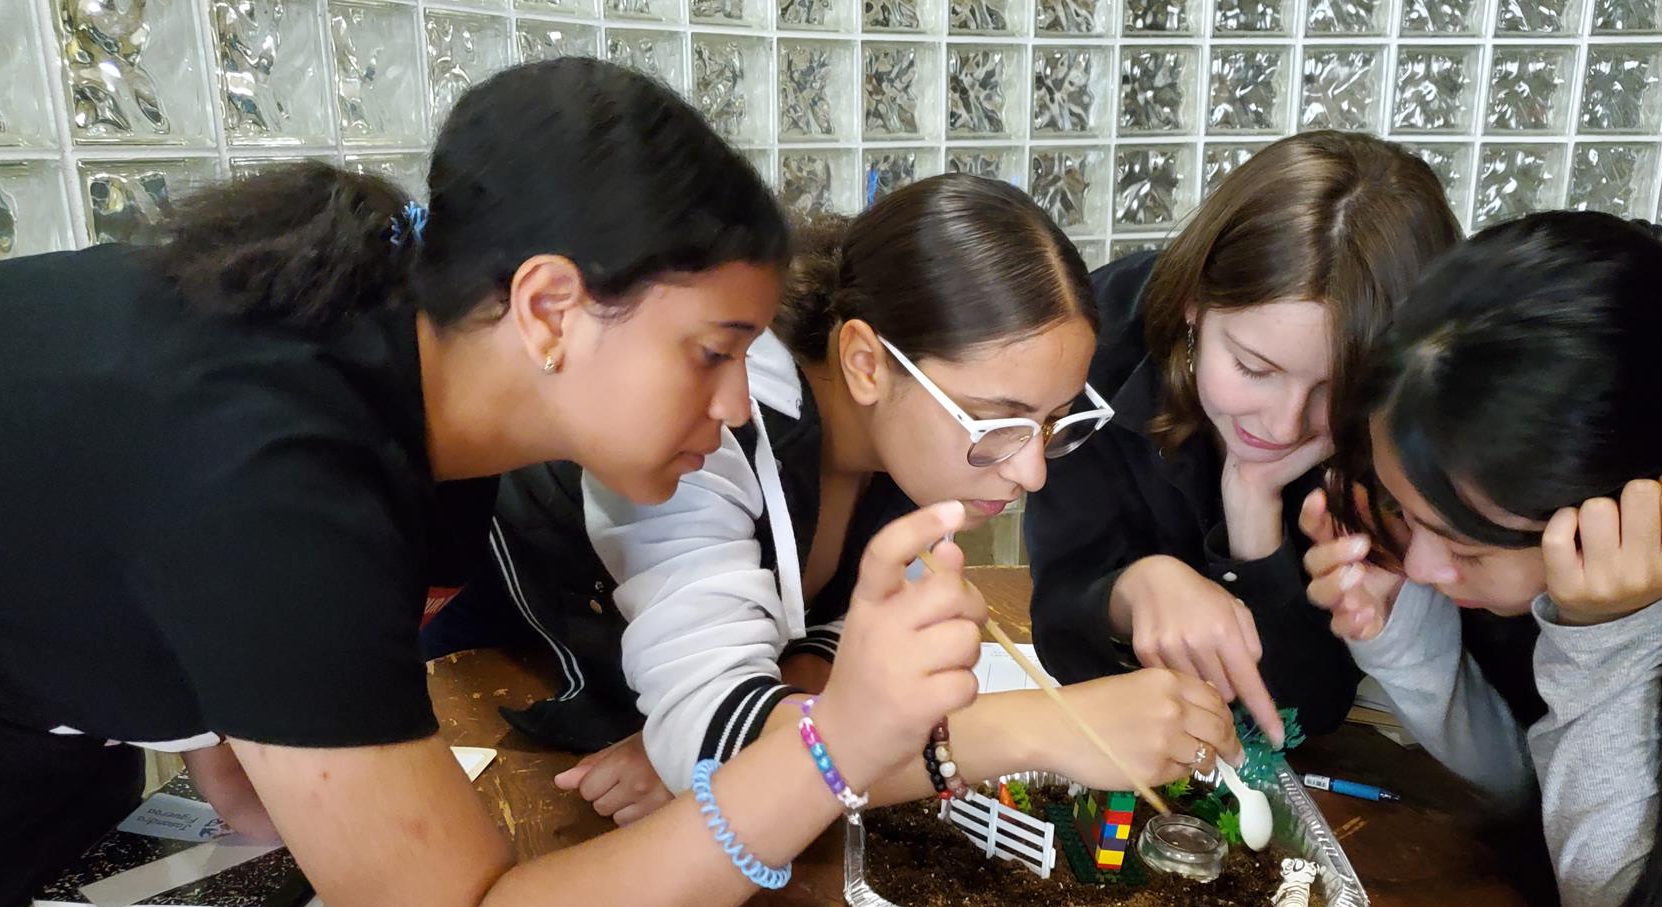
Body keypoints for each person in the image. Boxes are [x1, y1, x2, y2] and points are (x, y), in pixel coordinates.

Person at [0, 59, 997, 907]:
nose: (736, 408)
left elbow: (222, 668)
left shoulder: (397, 385)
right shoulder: (274, 466)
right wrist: (836, 748)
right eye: (712, 351)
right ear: (549, 309)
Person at [452, 173, 1243, 823]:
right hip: (492, 698)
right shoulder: (707, 422)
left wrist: (768, 714)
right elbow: (715, 745)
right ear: (866, 362)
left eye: (1055, 421)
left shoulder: (914, 454)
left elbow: (775, 691)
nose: (1033, 473)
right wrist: (1038, 729)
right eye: (996, 422)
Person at [1302, 210, 1662, 907]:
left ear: (1627, 509)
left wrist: (1610, 636)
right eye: (1401, 513)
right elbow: (1537, 788)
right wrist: (1401, 634)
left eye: (1465, 546)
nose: (1422, 564)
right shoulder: (1495, 509)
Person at [1024, 131, 1461, 746]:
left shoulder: (1399, 414)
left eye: (1334, 391)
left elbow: (1300, 716)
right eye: (1255, 368)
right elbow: (1063, 632)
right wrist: (1132, 591)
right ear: (1194, 304)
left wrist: (1253, 513)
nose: (1284, 426)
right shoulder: (1101, 346)